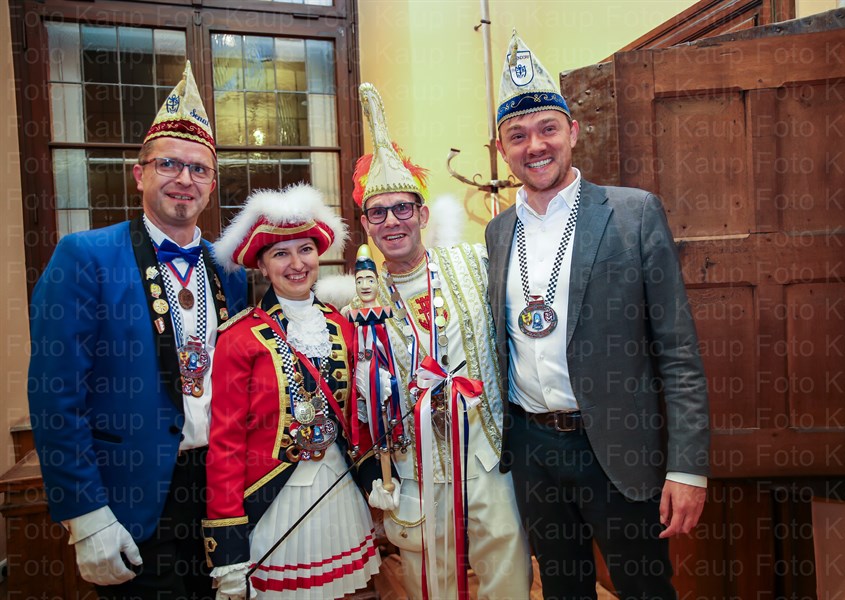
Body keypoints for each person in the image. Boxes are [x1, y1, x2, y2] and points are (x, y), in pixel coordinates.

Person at [485, 31, 711, 600]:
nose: (535, 146)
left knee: (644, 589)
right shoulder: (497, 232)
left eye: (547, 129)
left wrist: (687, 468)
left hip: (616, 448)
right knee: (562, 590)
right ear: (501, 149)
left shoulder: (634, 213)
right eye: (518, 136)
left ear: (573, 131)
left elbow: (678, 352)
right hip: (533, 450)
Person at [28, 61, 248, 599]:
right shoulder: (85, 257)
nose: (184, 179)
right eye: (169, 164)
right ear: (139, 173)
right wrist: (86, 515)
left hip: (221, 493)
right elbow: (55, 396)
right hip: (130, 498)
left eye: (199, 169)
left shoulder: (231, 271)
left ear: (212, 184)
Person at [353, 82, 531, 600]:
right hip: (416, 464)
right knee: (427, 578)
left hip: (488, 452)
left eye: (403, 208)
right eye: (378, 213)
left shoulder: (477, 262)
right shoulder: (359, 306)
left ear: (423, 214)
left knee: (507, 572)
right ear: (366, 225)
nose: (392, 221)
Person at [202, 184, 382, 599]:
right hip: (272, 501)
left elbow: (354, 417)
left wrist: (374, 477)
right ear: (263, 267)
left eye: (305, 250)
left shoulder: (342, 325)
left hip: (337, 490)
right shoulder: (238, 338)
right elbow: (226, 444)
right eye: (281, 254)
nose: (297, 264)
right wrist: (228, 545)